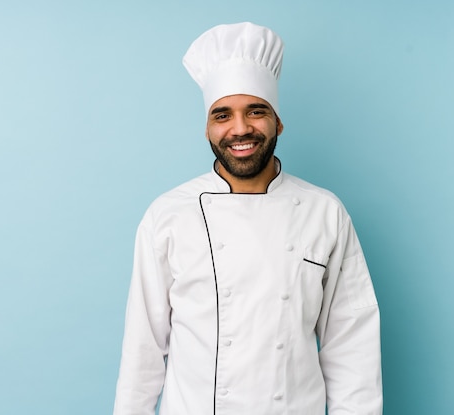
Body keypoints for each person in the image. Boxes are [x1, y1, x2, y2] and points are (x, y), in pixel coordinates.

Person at [113, 22, 382, 415]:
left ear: (278, 122)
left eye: (256, 111)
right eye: (223, 115)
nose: (240, 129)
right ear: (207, 128)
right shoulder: (168, 216)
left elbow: (351, 345)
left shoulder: (325, 212)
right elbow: (143, 350)